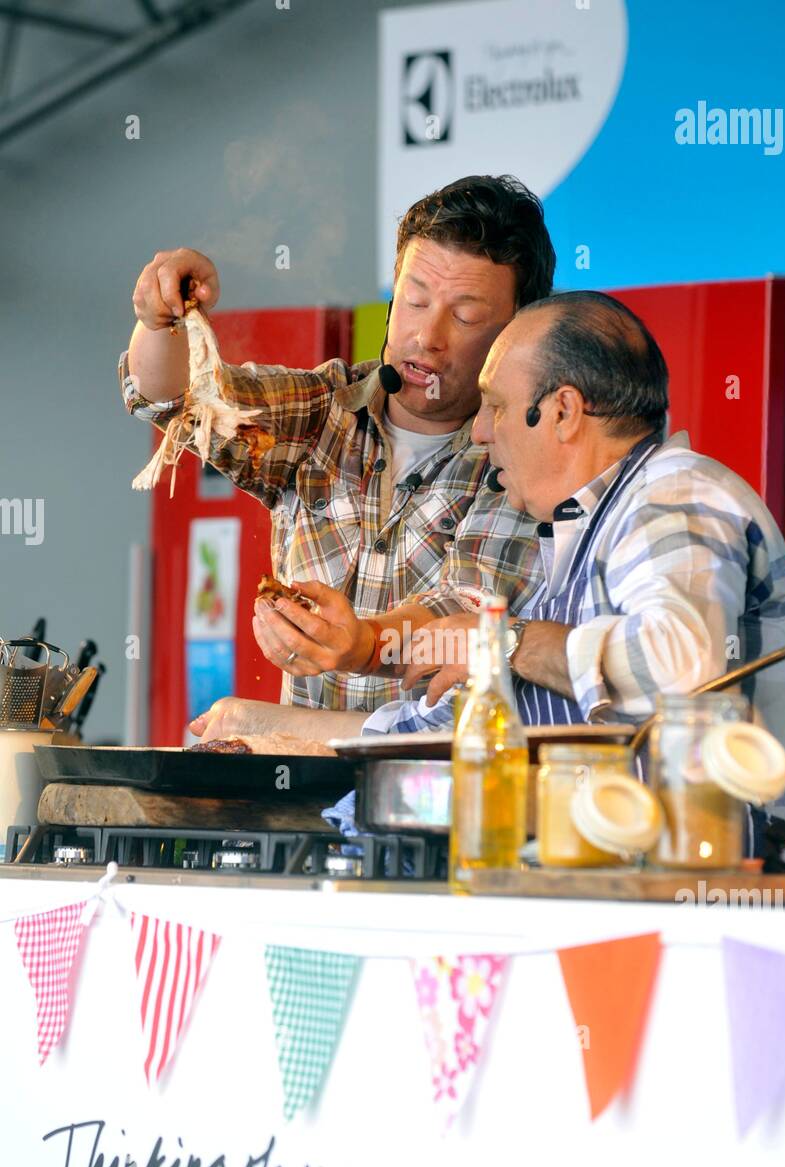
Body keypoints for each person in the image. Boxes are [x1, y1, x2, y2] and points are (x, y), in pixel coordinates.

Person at [285, 290, 785, 826]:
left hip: (710, 891)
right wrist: (259, 733)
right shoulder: (574, 543)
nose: (481, 431)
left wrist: (507, 642)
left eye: (497, 406)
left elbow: (677, 668)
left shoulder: (674, 496)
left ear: (562, 411)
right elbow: (453, 732)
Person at [119, 175, 553, 742]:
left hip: (436, 793)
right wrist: (162, 319)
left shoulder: (522, 461)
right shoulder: (325, 412)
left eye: (466, 317)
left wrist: (366, 644)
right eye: (416, 301)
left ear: (515, 335)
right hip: (297, 794)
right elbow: (176, 401)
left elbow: (466, 618)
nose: (427, 336)